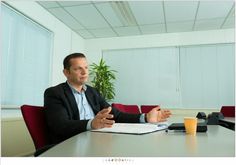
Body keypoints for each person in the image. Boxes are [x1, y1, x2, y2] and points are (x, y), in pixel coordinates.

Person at [44, 53, 172, 144]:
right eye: (78, 69)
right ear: (66, 72)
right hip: (70, 144)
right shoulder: (55, 93)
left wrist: (145, 117)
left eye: (86, 68)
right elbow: (60, 125)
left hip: (95, 139)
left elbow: (115, 114)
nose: (84, 72)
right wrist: (91, 124)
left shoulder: (92, 92)